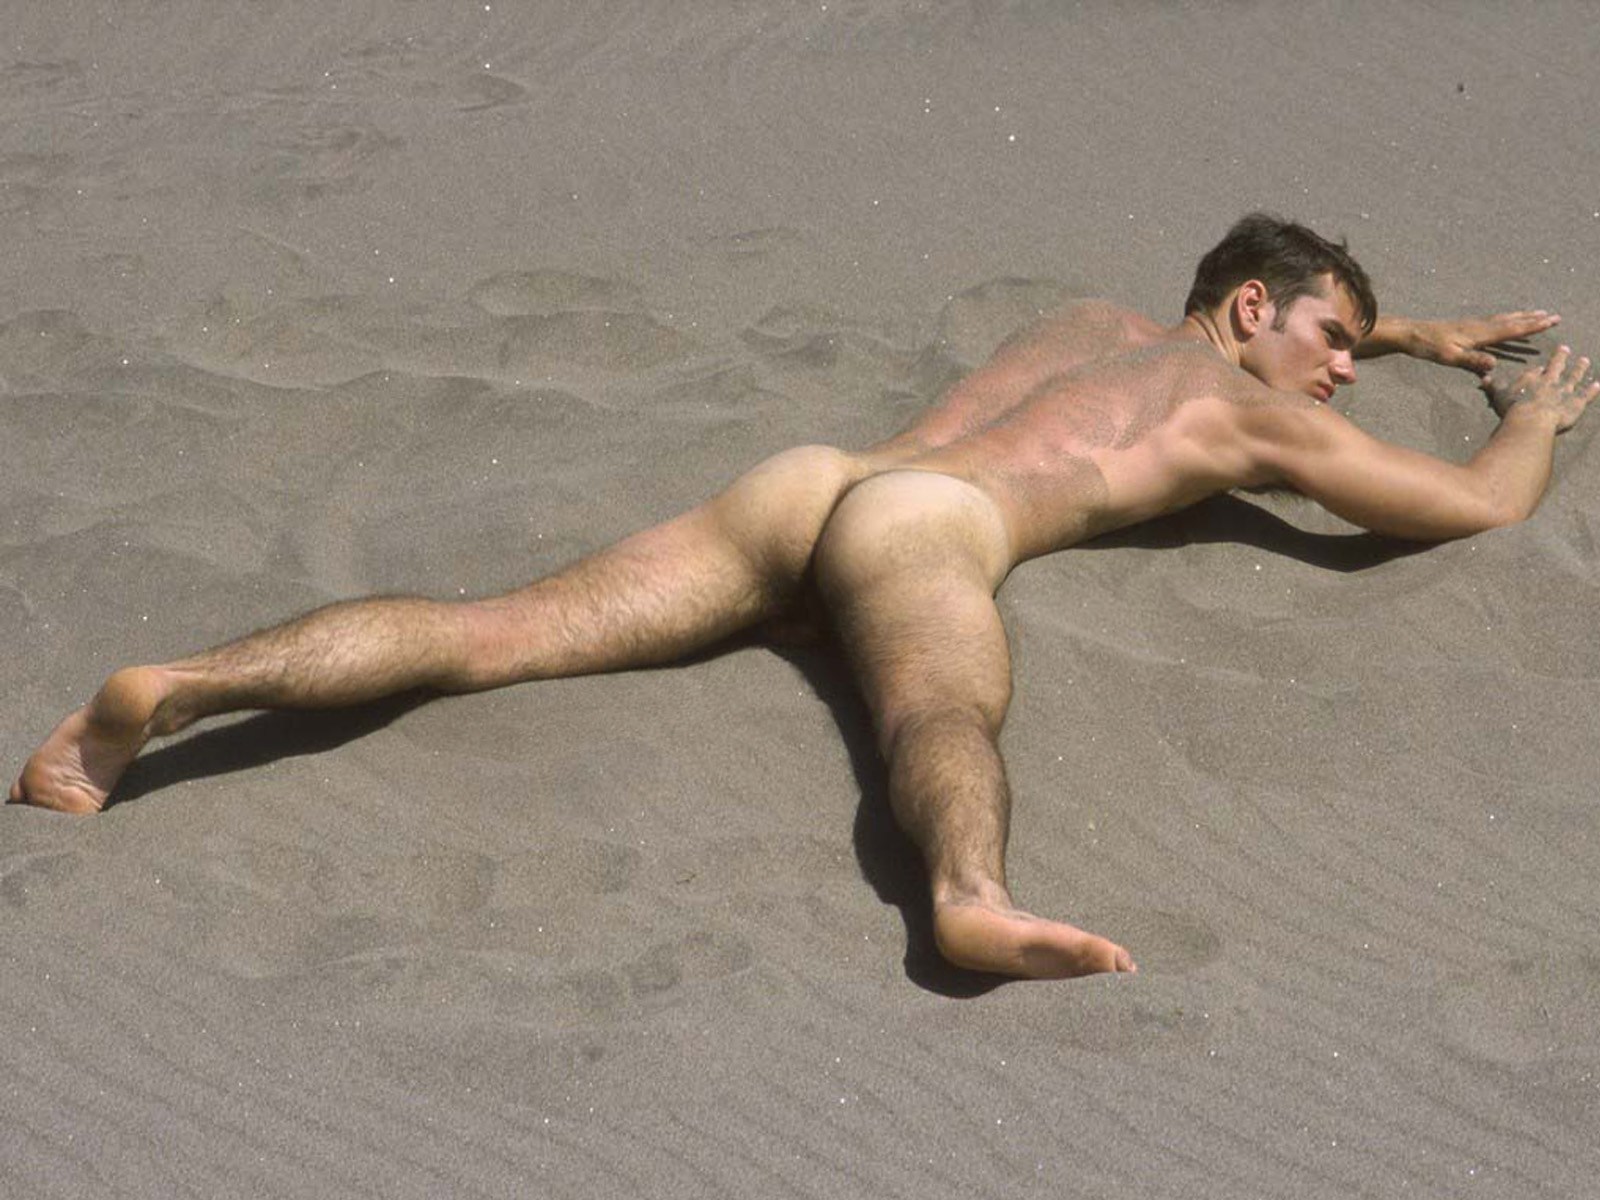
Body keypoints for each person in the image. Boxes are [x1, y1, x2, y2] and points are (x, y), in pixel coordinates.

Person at [10, 214, 1595, 980]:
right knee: (942, 703)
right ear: (1251, 308)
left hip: (811, 485)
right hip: (925, 529)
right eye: (1334, 342)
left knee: (493, 631)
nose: (1342, 374)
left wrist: (1407, 330)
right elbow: (1468, 510)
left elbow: (1214, 328)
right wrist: (1530, 415)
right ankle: (969, 897)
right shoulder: (1249, 411)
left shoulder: (1087, 321)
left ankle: (177, 686)